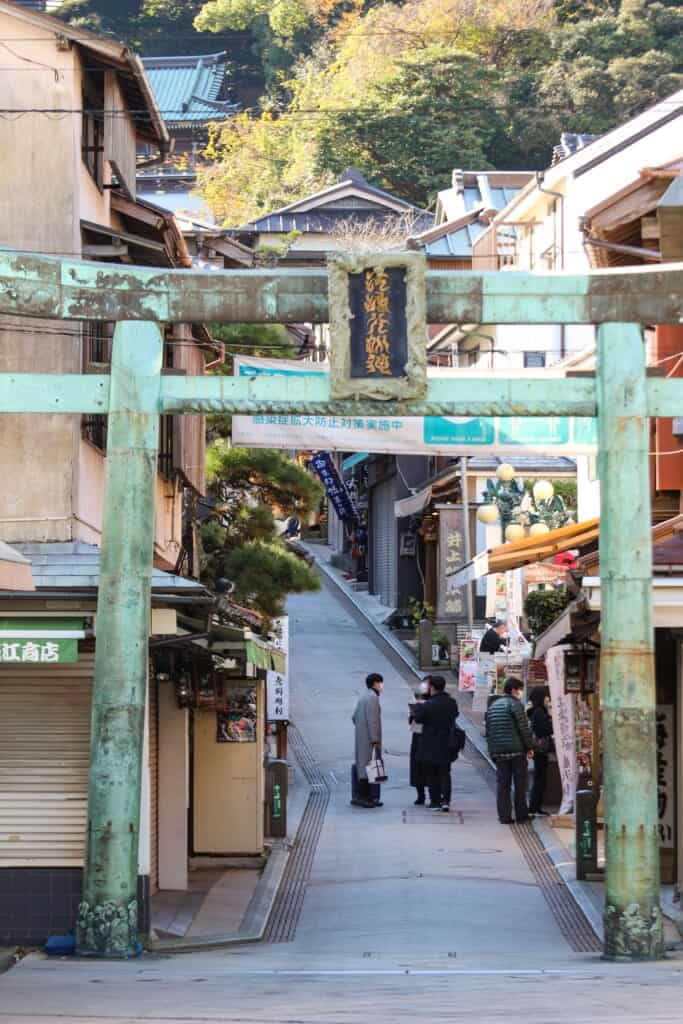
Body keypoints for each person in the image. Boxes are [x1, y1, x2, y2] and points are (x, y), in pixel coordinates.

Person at [485, 677, 534, 824]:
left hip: (499, 753)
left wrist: (493, 752)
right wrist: (530, 747)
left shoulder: (493, 706)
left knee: (503, 785)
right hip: (516, 752)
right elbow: (523, 729)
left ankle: (504, 816)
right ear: (514, 690)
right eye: (520, 690)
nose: (520, 693)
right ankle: (521, 815)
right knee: (520, 785)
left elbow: (489, 732)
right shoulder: (515, 705)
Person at [412, 675, 459, 813]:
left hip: (430, 743)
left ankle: (435, 801)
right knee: (445, 772)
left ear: (432, 687)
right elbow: (455, 715)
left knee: (432, 773)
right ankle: (446, 801)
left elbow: (418, 719)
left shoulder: (427, 705)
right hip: (448, 742)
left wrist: (418, 706)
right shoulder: (451, 702)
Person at [351, 672, 384, 808]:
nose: (382, 685)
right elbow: (373, 721)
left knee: (366, 765)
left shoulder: (364, 696)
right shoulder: (372, 697)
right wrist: (375, 739)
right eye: (381, 682)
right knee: (370, 766)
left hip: (362, 736)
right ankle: (367, 797)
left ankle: (369, 797)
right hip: (370, 738)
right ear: (375, 683)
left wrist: (361, 729)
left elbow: (354, 717)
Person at [527, 686, 554, 816]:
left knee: (539, 778)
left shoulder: (534, 711)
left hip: (538, 749)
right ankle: (534, 807)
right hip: (541, 749)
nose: (548, 699)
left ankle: (535, 807)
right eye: (546, 696)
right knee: (540, 779)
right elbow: (545, 729)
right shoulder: (540, 712)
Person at [409, 681, 430, 805]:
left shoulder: (431, 706)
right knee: (418, 766)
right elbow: (412, 721)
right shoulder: (418, 706)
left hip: (426, 737)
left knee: (423, 767)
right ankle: (421, 795)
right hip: (418, 736)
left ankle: (424, 795)